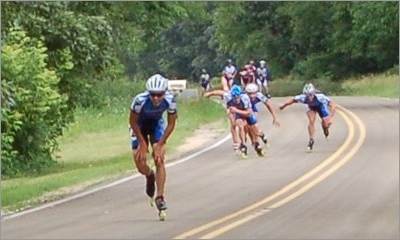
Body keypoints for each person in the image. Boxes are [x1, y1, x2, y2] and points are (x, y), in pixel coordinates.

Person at [129, 74, 178, 218]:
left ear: (165, 93)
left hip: (156, 125)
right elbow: (132, 122)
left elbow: (171, 123)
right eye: (153, 95)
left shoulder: (170, 100)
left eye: (159, 94)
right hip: (139, 126)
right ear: (148, 93)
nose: (156, 98)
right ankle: (150, 176)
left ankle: (160, 197)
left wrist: (160, 144)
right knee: (139, 160)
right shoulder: (139, 100)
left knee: (159, 158)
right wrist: (142, 143)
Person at [204, 85, 265, 157]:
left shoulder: (245, 98)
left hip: (245, 111)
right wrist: (209, 94)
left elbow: (249, 113)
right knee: (237, 124)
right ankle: (241, 144)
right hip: (235, 111)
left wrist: (237, 110)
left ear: (240, 95)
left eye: (238, 97)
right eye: (234, 97)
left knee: (252, 128)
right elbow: (218, 92)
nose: (236, 99)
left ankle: (257, 141)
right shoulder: (228, 95)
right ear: (231, 95)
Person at [279, 83, 336, 151]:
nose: (309, 97)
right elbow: (292, 100)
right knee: (311, 120)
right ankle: (311, 139)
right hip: (311, 107)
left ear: (314, 93)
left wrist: (331, 117)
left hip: (321, 106)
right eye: (307, 95)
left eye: (311, 95)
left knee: (326, 124)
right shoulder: (303, 97)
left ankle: (325, 129)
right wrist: (283, 106)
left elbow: (333, 105)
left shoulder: (321, 97)